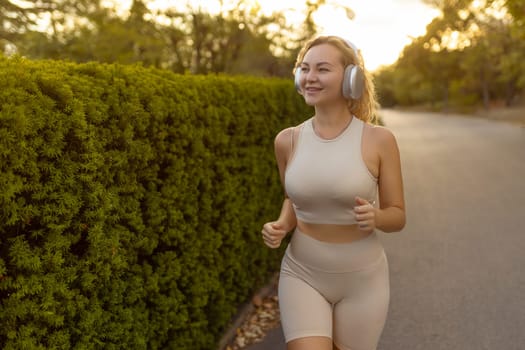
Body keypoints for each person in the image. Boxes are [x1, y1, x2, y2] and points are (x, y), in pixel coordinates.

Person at [261, 35, 406, 350]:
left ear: (350, 78)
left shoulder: (379, 140)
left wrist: (377, 216)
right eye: (304, 68)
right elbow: (293, 198)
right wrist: (282, 224)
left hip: (363, 281)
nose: (310, 77)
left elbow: (397, 216)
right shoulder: (286, 141)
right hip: (302, 272)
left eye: (322, 69)